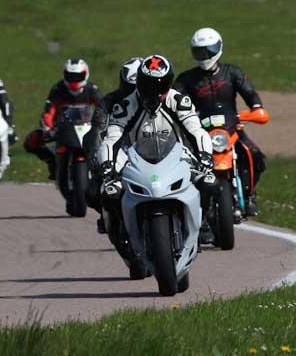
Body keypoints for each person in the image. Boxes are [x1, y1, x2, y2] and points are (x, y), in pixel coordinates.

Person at [97, 54, 213, 277]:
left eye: (161, 86)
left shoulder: (178, 100)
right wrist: (107, 168)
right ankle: (125, 240)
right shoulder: (125, 106)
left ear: (169, 84)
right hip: (133, 156)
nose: (155, 92)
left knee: (209, 182)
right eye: (149, 85)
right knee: (108, 193)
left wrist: (206, 158)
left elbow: (197, 131)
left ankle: (202, 224)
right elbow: (112, 139)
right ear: (139, 83)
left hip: (175, 154)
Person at [173, 27, 268, 216]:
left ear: (219, 48)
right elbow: (174, 102)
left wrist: (256, 109)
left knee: (256, 156)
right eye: (200, 51)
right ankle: (197, 213)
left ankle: (250, 195)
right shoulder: (186, 79)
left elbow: (250, 93)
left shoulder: (232, 72)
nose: (205, 55)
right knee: (185, 166)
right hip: (199, 131)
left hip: (231, 128)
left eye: (209, 50)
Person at [84, 56, 143, 232]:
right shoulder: (109, 102)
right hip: (120, 151)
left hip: (152, 150)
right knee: (93, 193)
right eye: (128, 87)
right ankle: (107, 214)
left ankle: (200, 224)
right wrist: (96, 158)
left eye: (136, 87)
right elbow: (97, 129)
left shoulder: (157, 101)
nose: (132, 93)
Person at [24, 59, 101, 179]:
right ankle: (51, 160)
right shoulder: (58, 89)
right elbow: (49, 111)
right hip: (62, 127)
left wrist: (102, 124)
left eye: (77, 76)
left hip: (87, 127)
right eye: (70, 76)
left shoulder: (92, 89)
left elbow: (102, 108)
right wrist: (48, 128)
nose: (74, 80)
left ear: (85, 74)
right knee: (32, 141)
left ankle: (104, 170)